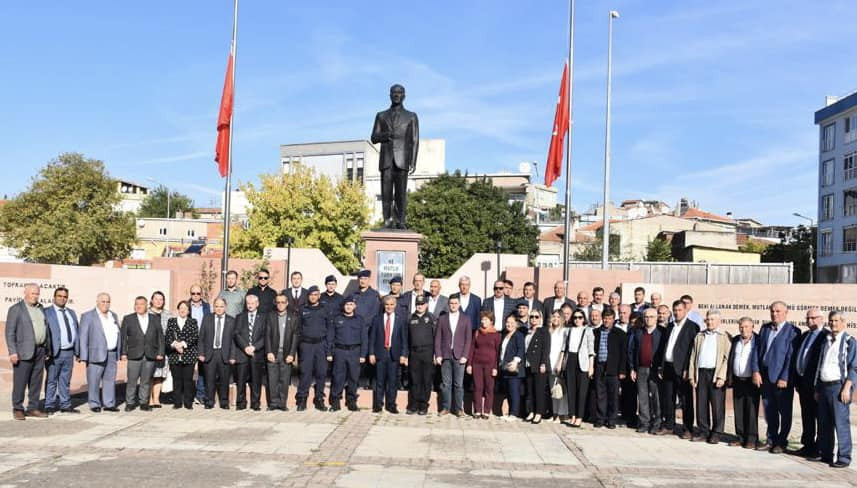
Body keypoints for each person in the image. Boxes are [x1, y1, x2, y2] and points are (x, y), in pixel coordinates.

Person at [371, 83, 419, 229]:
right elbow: (374, 137)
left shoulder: (411, 116)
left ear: (404, 96)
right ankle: (387, 220)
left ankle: (400, 221)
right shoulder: (381, 115)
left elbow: (415, 140)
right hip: (386, 159)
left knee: (400, 193)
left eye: (400, 92)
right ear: (390, 95)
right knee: (386, 192)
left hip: (402, 159)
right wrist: (386, 135)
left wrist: (413, 161)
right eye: (394, 92)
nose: (397, 95)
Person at [815, 311, 857, 468]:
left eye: (836, 321)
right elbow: (821, 366)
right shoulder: (826, 341)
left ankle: (844, 457)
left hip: (839, 387)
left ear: (843, 322)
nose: (833, 324)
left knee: (841, 423)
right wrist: (817, 388)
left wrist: (847, 387)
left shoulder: (849, 342)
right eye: (831, 321)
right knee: (824, 423)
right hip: (824, 387)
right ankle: (826, 455)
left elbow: (854, 367)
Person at [756, 300, 799, 453]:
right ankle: (771, 439)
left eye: (778, 311)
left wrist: (785, 377)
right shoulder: (765, 328)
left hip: (782, 380)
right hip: (765, 377)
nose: (774, 314)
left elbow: (790, 357)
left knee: (784, 411)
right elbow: (758, 351)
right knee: (769, 410)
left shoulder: (793, 331)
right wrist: (756, 371)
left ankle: (782, 441)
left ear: (786, 313)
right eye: (772, 311)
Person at [6, 283, 51, 420]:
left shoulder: (41, 308)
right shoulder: (16, 309)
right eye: (32, 293)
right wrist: (13, 352)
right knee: (20, 381)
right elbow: (9, 332)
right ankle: (18, 408)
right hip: (22, 352)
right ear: (25, 293)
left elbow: (45, 329)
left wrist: (47, 348)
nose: (35, 296)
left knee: (36, 382)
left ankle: (33, 408)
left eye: (37, 293)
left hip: (40, 350)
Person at [656, 300, 699, 438]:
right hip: (668, 366)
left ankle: (688, 428)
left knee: (685, 399)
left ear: (685, 310)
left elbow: (692, 350)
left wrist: (687, 368)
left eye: (679, 310)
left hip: (682, 369)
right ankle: (669, 425)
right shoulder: (670, 326)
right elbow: (664, 347)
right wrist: (661, 366)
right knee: (668, 397)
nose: (677, 313)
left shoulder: (692, 327)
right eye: (674, 310)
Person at [688, 309, 731, 444]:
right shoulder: (700, 336)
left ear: (719, 321)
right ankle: (703, 431)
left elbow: (727, 358)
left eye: (713, 319)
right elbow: (693, 356)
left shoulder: (724, 336)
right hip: (701, 373)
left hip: (715, 374)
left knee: (717, 405)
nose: (710, 322)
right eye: (708, 319)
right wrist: (691, 376)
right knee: (701, 404)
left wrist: (722, 376)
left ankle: (716, 432)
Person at [120, 296, 165, 411]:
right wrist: (123, 353)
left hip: (150, 354)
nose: (138, 306)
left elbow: (160, 337)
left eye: (141, 304)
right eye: (136, 304)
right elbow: (123, 338)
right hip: (134, 354)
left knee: (146, 380)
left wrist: (160, 352)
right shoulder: (128, 319)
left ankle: (144, 403)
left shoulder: (154, 318)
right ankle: (130, 403)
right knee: (132, 381)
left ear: (146, 306)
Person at [79, 293, 121, 413]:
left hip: (111, 353)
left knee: (109, 380)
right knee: (94, 380)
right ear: (97, 302)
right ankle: (94, 403)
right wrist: (84, 356)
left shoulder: (113, 315)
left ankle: (109, 403)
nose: (105, 304)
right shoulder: (88, 316)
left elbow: (118, 333)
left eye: (108, 302)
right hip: (95, 354)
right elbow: (83, 337)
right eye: (103, 301)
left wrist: (118, 351)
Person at [792, 308, 826, 457]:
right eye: (808, 318)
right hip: (803, 383)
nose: (810, 321)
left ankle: (819, 447)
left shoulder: (826, 336)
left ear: (821, 319)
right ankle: (808, 445)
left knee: (820, 417)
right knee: (807, 416)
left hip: (816, 385)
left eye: (813, 318)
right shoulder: (805, 335)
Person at [726, 317, 762, 449]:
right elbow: (731, 359)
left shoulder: (758, 341)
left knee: (751, 410)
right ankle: (740, 437)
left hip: (751, 381)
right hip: (738, 380)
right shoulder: (736, 340)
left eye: (747, 326)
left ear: (752, 327)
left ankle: (752, 438)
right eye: (741, 326)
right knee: (739, 410)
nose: (744, 329)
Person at [369, 295, 408, 414]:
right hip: (380, 354)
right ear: (383, 306)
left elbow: (404, 339)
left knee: (392, 381)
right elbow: (372, 338)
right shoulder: (377, 319)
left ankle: (391, 405)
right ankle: (378, 405)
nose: (389, 307)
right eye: (387, 304)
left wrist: (403, 354)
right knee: (379, 381)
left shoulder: (400, 319)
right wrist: (371, 353)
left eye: (391, 304)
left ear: (395, 305)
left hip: (394, 354)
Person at [434, 295, 472, 416]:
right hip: (445, 355)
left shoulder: (466, 319)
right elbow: (438, 338)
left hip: (460, 355)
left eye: (455, 303)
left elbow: (468, 339)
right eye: (451, 303)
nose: (453, 305)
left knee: (458, 384)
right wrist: (438, 354)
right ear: (448, 304)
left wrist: (465, 355)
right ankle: (446, 407)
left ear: (459, 304)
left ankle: (459, 409)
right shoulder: (442, 318)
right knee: (446, 384)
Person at [628, 308, 664, 434]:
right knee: (642, 397)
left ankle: (657, 423)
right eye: (646, 317)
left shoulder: (662, 332)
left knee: (656, 397)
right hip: (641, 369)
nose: (649, 319)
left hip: (655, 370)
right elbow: (632, 351)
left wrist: (661, 367)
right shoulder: (639, 332)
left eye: (651, 317)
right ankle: (644, 422)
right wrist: (632, 368)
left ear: (656, 318)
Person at [44, 287, 79, 414]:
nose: (62, 298)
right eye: (59, 296)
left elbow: (77, 331)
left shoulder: (71, 312)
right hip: (54, 352)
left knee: (65, 380)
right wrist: (45, 351)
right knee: (52, 380)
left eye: (65, 297)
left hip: (69, 352)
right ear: (54, 297)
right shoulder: (47, 312)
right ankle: (49, 405)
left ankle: (65, 405)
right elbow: (45, 332)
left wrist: (77, 351)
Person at [327, 296, 366, 412]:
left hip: (355, 351)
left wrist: (363, 355)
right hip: (340, 351)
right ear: (343, 306)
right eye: (346, 305)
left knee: (353, 378)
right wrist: (329, 352)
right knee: (338, 377)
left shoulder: (360, 320)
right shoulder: (336, 319)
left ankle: (351, 402)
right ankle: (335, 402)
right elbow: (330, 337)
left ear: (355, 306)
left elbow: (364, 338)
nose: (349, 307)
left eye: (351, 304)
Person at [198, 297, 235, 410]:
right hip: (210, 353)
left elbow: (234, 340)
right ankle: (209, 401)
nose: (219, 309)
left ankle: (224, 402)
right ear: (214, 307)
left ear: (225, 307)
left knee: (224, 380)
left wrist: (232, 356)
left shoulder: (231, 320)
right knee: (209, 379)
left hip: (224, 354)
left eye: (221, 306)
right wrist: (201, 353)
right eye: (217, 306)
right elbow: (201, 337)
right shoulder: (207, 318)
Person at [593, 308, 627, 429]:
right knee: (600, 394)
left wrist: (622, 370)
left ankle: (611, 420)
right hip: (599, 366)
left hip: (613, 367)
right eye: (605, 318)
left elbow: (624, 354)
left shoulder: (620, 334)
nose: (607, 320)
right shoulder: (596, 332)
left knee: (613, 395)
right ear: (602, 319)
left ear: (613, 319)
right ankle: (600, 418)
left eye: (609, 318)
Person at [296, 286, 329, 411]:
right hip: (306, 345)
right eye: (311, 294)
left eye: (316, 294)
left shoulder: (324, 309)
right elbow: (298, 329)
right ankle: (302, 398)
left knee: (321, 372)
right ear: (308, 296)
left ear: (319, 296)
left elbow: (329, 328)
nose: (313, 297)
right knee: (305, 372)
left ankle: (319, 398)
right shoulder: (302, 309)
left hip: (321, 345)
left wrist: (328, 347)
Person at [265, 293, 300, 411]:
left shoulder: (293, 317)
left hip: (286, 354)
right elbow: (267, 335)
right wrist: (269, 351)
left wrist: (291, 354)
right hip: (273, 354)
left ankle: (282, 403)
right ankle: (273, 403)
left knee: (284, 380)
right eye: (278, 302)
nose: (280, 305)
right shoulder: (270, 316)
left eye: (283, 302)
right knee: (272, 379)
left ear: (287, 303)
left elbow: (295, 337)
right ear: (275, 303)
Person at [560, 309, 594, 428]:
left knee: (582, 391)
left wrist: (591, 366)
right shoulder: (568, 330)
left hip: (583, 362)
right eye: (575, 317)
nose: (577, 320)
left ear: (584, 319)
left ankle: (580, 417)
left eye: (580, 317)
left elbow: (591, 350)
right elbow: (564, 348)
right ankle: (572, 415)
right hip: (570, 361)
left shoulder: (588, 330)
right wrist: (561, 363)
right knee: (571, 390)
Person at [234, 294, 267, 411]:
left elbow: (265, 336)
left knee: (256, 380)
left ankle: (255, 403)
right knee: (241, 380)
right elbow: (236, 334)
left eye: (252, 303)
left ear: (257, 304)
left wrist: (254, 347)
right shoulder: (240, 317)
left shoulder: (263, 318)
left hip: (256, 354)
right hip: (242, 354)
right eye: (248, 303)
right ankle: (241, 402)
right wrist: (245, 347)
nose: (250, 305)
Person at [165, 301, 198, 409]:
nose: (183, 310)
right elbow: (168, 336)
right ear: (178, 309)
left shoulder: (193, 321)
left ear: (189, 311)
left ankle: (188, 403)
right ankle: (177, 403)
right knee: (176, 380)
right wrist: (175, 345)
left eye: (185, 308)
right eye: (181, 308)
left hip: (189, 354)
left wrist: (183, 345)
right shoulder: (172, 321)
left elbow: (194, 336)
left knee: (188, 380)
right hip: (174, 355)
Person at [406, 295, 436, 415]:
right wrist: (406, 355)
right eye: (418, 304)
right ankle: (413, 405)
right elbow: (406, 337)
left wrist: (435, 354)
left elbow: (436, 337)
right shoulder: (410, 318)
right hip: (414, 353)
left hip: (428, 352)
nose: (420, 306)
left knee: (426, 380)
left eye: (422, 304)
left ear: (426, 305)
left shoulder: (432, 318)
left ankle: (423, 405)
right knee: (414, 380)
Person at [468, 311, 501, 419]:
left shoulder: (496, 335)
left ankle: (486, 411)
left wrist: (496, 367)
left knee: (489, 388)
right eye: (482, 319)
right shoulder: (477, 332)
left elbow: (498, 352)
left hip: (490, 365)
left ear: (491, 321)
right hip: (477, 364)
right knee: (478, 387)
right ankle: (477, 410)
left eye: (486, 319)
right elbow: (472, 348)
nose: (483, 322)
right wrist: (469, 364)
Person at [354, 269, 381, 390]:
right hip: (357, 330)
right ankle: (357, 380)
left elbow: (375, 313)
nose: (362, 281)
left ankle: (371, 381)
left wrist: (365, 324)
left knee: (371, 355)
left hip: (370, 330)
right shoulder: (353, 295)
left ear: (369, 280)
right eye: (361, 279)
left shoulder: (374, 295)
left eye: (365, 279)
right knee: (357, 356)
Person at [524, 310, 551, 424]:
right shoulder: (528, 331)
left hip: (539, 365)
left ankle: (539, 413)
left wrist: (543, 363)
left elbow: (546, 349)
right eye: (531, 317)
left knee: (539, 390)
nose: (533, 319)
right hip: (528, 364)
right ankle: (531, 411)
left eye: (536, 317)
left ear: (540, 318)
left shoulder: (543, 331)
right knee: (530, 390)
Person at [499, 315, 526, 421]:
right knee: (509, 391)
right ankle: (510, 412)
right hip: (505, 367)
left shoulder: (518, 335)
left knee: (514, 391)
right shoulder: (505, 334)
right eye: (507, 322)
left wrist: (516, 361)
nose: (509, 324)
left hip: (515, 368)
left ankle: (514, 413)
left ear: (516, 324)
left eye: (511, 322)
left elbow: (521, 349)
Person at [188, 284, 210, 406]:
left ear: (201, 294)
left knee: (202, 369)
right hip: (189, 341)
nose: (196, 296)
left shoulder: (207, 307)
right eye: (193, 293)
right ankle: (188, 395)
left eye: (198, 293)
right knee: (188, 369)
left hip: (204, 341)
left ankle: (200, 395)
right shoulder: (186, 306)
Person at [148, 291, 170, 408]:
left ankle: (156, 399)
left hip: (163, 349)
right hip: (150, 349)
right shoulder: (146, 313)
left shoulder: (167, 314)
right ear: (151, 300)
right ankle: (149, 399)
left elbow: (171, 332)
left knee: (160, 375)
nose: (158, 301)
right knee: (149, 374)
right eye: (156, 299)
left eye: (161, 299)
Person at [547, 310, 569, 421]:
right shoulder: (550, 331)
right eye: (553, 316)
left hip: (559, 363)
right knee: (553, 390)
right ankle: (554, 413)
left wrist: (560, 363)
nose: (555, 318)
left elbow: (563, 349)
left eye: (558, 316)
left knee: (561, 389)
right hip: (549, 363)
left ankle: (562, 414)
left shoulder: (564, 331)